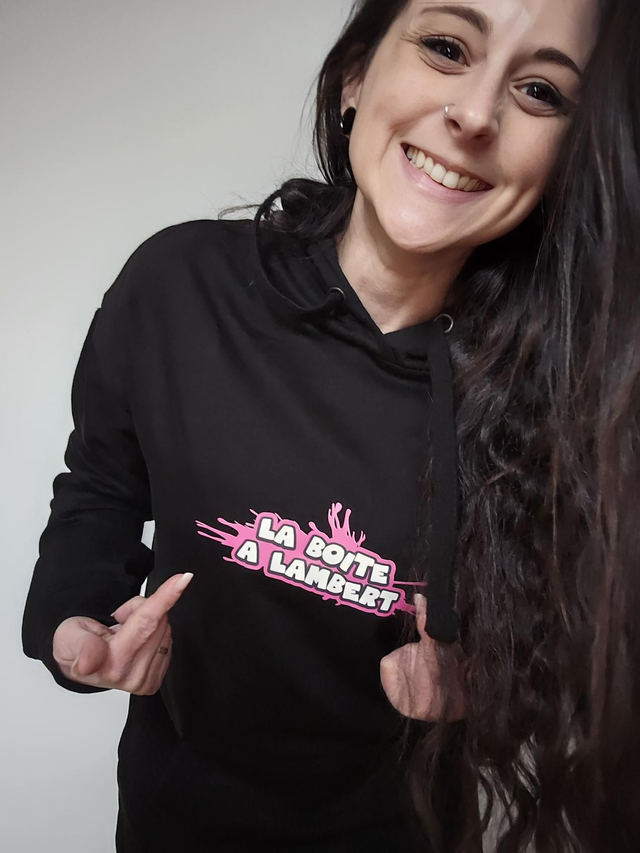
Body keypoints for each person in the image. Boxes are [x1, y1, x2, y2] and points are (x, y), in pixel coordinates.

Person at [21, 0, 640, 850]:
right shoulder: (180, 288)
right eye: (446, 47)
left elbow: (580, 651)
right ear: (354, 77)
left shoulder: (569, 395)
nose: (474, 114)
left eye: (540, 91)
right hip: (173, 823)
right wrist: (74, 624)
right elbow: (98, 490)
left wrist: (486, 686)